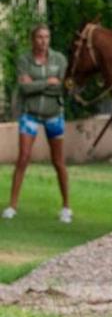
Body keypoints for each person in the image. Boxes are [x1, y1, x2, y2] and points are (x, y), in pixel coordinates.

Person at [3, 24, 70, 223]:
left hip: (54, 114)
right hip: (30, 114)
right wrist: (47, 83)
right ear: (33, 39)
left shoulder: (59, 59)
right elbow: (24, 88)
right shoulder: (25, 59)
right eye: (39, 37)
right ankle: (12, 206)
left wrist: (35, 84)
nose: (43, 41)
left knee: (58, 161)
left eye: (46, 37)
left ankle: (66, 207)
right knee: (23, 157)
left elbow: (63, 88)